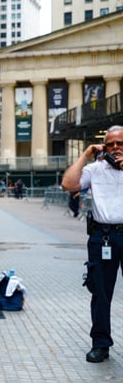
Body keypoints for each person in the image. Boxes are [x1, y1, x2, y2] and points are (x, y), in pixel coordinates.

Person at [62, 125, 123, 363]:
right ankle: (101, 344)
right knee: (100, 292)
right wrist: (87, 154)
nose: (116, 148)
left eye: (120, 143)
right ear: (104, 147)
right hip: (103, 237)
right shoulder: (95, 169)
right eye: (111, 144)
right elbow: (68, 184)